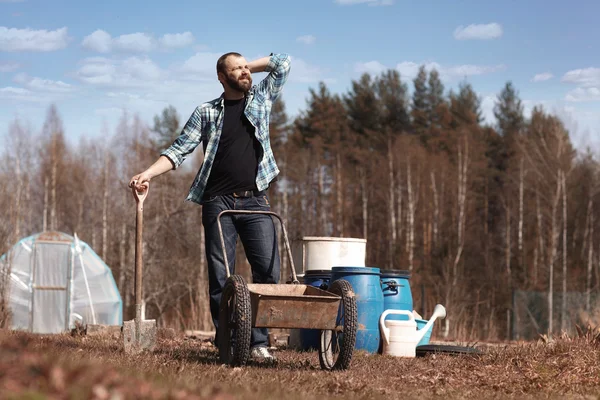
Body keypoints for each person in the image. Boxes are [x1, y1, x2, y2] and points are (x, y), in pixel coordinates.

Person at [129, 52, 291, 361]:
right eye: (237, 69)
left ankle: (258, 343)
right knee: (222, 277)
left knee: (269, 272)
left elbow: (282, 62)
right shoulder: (206, 112)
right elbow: (179, 150)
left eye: (246, 68)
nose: (245, 73)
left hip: (256, 198)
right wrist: (147, 173)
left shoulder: (261, 97)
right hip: (218, 202)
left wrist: (246, 66)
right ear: (221, 77)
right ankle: (228, 343)